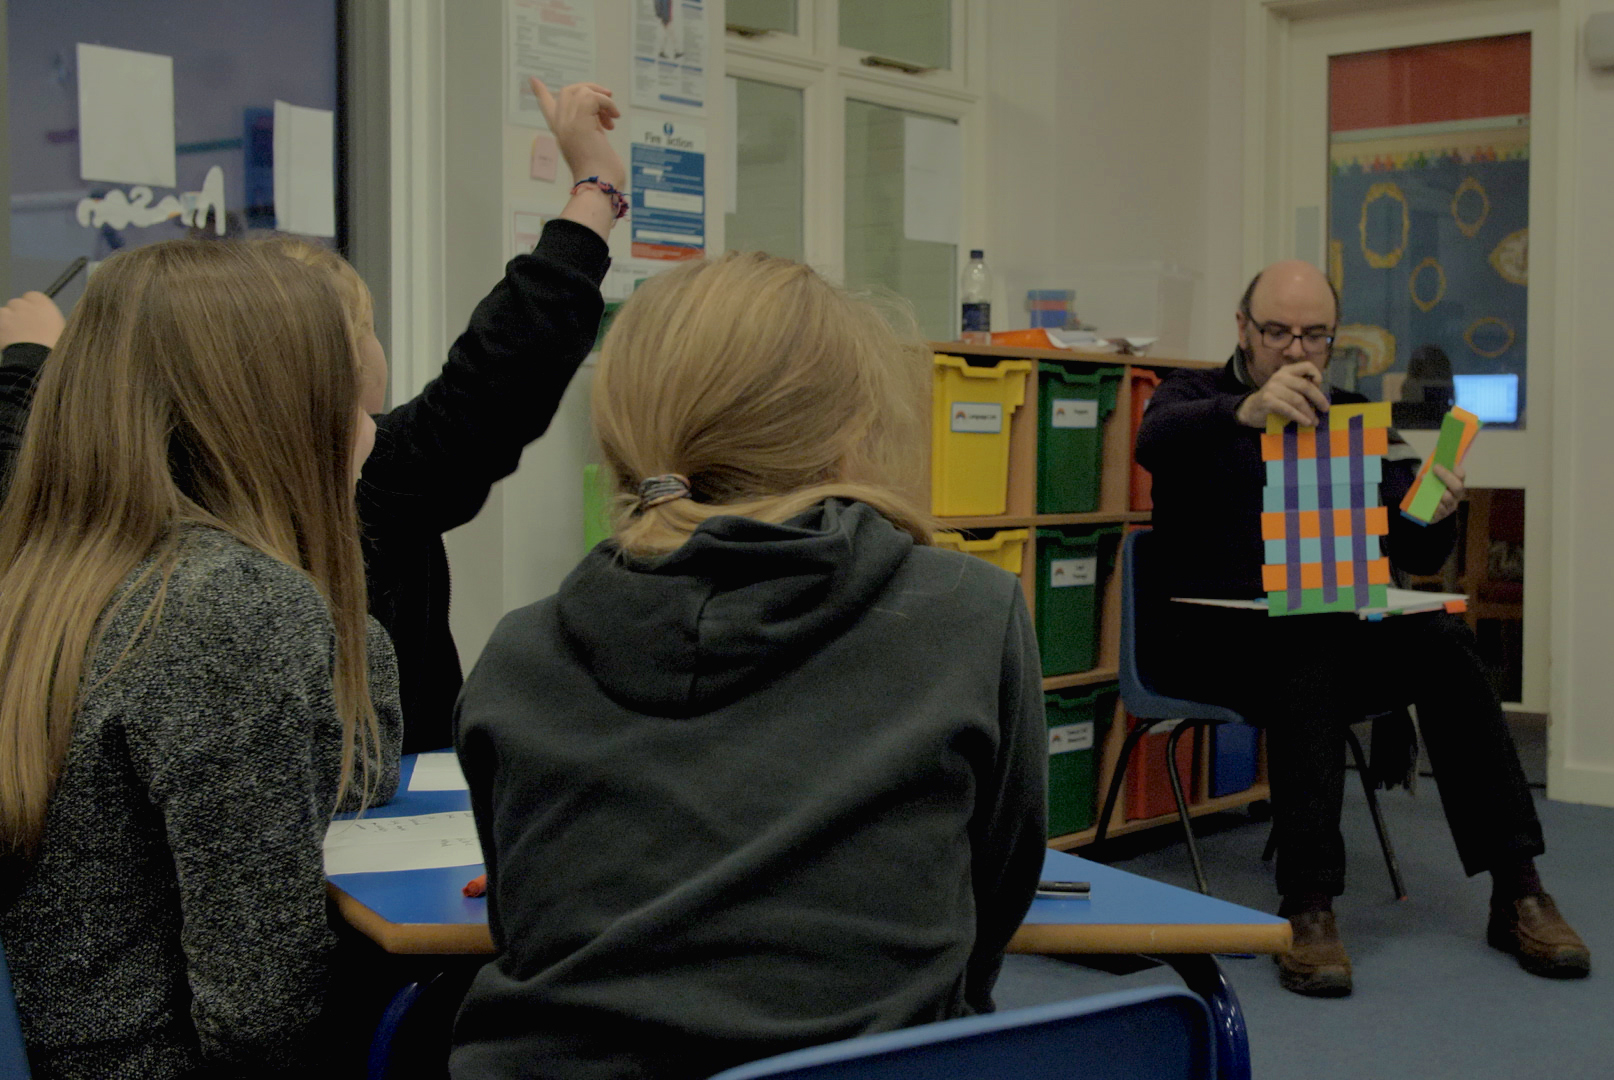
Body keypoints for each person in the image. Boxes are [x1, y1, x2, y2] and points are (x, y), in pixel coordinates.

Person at [449, 252, 1048, 1080]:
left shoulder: (518, 654)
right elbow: (997, 890)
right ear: (847, 430)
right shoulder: (968, 613)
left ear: (623, 421)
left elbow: (521, 919)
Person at [0, 77, 625, 754]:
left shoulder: (113, 512)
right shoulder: (365, 491)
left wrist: (30, 368)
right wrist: (596, 186)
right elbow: (502, 369)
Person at [0, 240, 402, 1078]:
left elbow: (346, 776)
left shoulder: (48, 575)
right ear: (285, 411)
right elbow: (259, 1013)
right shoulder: (231, 607)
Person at [1135, 260, 1588, 998]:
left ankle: (1519, 892)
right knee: (1308, 640)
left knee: (1441, 641)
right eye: (1277, 331)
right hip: (1210, 642)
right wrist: (1244, 414)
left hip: (1323, 634)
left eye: (1314, 335)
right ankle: (1309, 907)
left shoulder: (1351, 417)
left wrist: (1433, 513)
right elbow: (1154, 440)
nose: (1294, 350)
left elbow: (1412, 549)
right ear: (1243, 330)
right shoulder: (1194, 398)